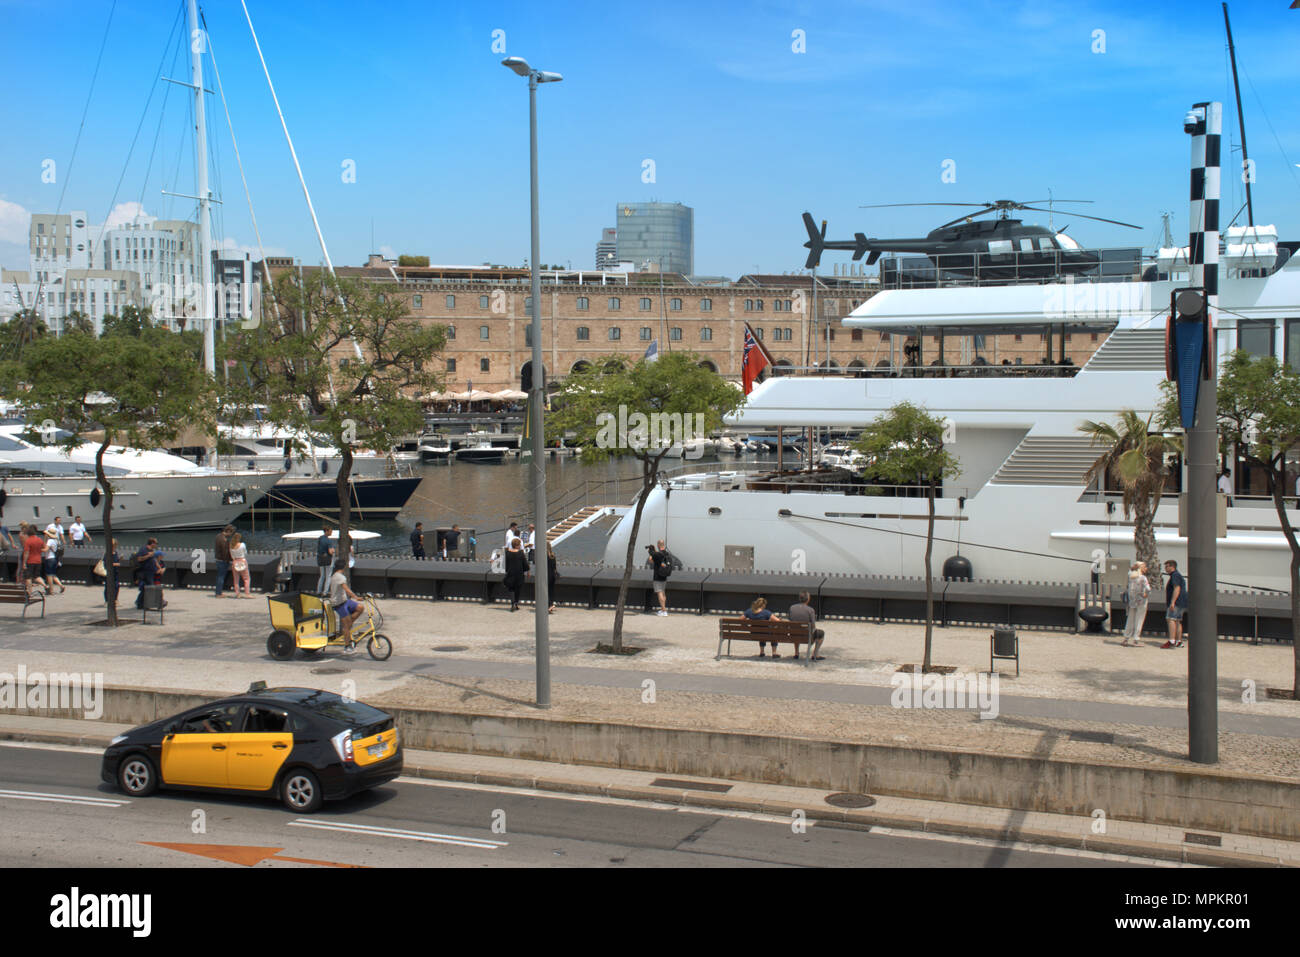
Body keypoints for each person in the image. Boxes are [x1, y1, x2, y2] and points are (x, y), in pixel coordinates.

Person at [328, 560, 365, 653]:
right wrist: (356, 597)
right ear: (344, 567)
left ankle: (348, 624)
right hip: (339, 604)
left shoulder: (336, 576)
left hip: (345, 601)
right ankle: (347, 646)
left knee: (360, 608)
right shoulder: (339, 577)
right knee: (347, 626)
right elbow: (347, 590)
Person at [787, 591, 826, 660]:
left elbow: (790, 620)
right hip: (807, 637)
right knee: (821, 633)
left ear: (799, 598)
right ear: (808, 599)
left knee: (796, 630)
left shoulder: (792, 608)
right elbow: (813, 626)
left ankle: (796, 653)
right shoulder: (810, 610)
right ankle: (815, 654)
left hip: (793, 635)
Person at [1121, 561, 1151, 647]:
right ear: (1141, 568)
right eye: (1144, 567)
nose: (1146, 568)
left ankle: (1126, 638)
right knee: (1139, 619)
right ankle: (1136, 639)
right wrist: (1145, 594)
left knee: (1130, 619)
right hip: (1141, 601)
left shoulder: (1131, 576)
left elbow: (1130, 571)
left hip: (1132, 601)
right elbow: (1148, 589)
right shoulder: (1143, 578)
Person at [1162, 559, 1188, 648]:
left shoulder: (1175, 575)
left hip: (1176, 602)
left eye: (1166, 566)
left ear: (1172, 566)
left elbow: (1177, 588)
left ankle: (1171, 640)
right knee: (1177, 621)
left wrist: (1172, 602)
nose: (1165, 568)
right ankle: (1178, 641)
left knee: (1171, 619)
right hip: (1182, 602)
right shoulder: (1178, 575)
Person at [133, 538, 162, 610]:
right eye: (156, 543)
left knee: (146, 588)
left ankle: (140, 603)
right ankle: (142, 603)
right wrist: (148, 555)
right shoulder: (144, 549)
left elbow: (154, 560)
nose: (156, 545)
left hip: (151, 572)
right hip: (145, 572)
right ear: (152, 543)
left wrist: (158, 567)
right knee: (148, 588)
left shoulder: (151, 551)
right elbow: (139, 559)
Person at [648, 540, 672, 616]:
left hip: (657, 576)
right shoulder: (667, 554)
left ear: (658, 545)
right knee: (663, 592)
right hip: (664, 576)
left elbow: (650, 560)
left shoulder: (658, 554)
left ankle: (664, 611)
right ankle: (663, 609)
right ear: (663, 545)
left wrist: (651, 551)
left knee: (659, 592)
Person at [503, 537, 528, 611]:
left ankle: (513, 603)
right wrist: (527, 570)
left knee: (511, 588)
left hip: (510, 573)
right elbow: (525, 564)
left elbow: (505, 564)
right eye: (519, 544)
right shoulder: (520, 553)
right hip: (519, 573)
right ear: (517, 545)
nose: (520, 546)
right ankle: (516, 603)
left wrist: (507, 570)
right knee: (518, 589)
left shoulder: (507, 553)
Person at [22, 525, 48, 596]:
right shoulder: (39, 539)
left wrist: (24, 563)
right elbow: (45, 549)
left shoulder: (28, 541)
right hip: (38, 560)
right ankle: (45, 585)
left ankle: (29, 593)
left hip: (30, 561)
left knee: (28, 577)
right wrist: (39, 550)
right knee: (37, 576)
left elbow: (26, 553)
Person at [42, 525, 66, 593]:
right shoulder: (56, 540)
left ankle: (51, 590)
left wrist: (39, 549)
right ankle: (61, 586)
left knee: (49, 575)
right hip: (55, 559)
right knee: (53, 574)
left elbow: (46, 549)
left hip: (49, 558)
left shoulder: (50, 541)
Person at [229, 532, 251, 598]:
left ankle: (237, 593)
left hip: (235, 562)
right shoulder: (242, 545)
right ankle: (247, 593)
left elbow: (232, 556)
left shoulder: (231, 546)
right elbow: (245, 553)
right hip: (242, 561)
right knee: (246, 579)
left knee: (236, 579)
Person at [213, 525, 234, 598]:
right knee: (221, 577)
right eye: (231, 533)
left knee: (219, 576)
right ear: (228, 531)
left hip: (218, 559)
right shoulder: (224, 540)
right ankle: (218, 593)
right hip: (223, 561)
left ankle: (218, 592)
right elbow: (225, 552)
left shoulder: (218, 536)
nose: (231, 535)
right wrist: (230, 560)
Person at [316, 525, 335, 595]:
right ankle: (325, 592)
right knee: (328, 576)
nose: (331, 532)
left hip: (320, 559)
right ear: (327, 531)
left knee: (322, 576)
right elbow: (330, 551)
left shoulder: (320, 538)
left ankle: (318, 590)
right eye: (330, 531)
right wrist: (333, 551)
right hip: (328, 559)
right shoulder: (329, 541)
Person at [103, 538, 122, 607]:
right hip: (109, 572)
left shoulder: (115, 552)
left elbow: (116, 560)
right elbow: (106, 563)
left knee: (116, 586)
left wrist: (119, 560)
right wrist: (115, 564)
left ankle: (115, 599)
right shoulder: (108, 553)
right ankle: (107, 600)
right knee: (108, 586)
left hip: (115, 572)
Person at [545, 542, 559, 614]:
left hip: (545, 575)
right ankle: (550, 604)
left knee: (545, 591)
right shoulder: (552, 556)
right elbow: (554, 568)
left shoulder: (542, 556)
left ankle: (547, 605)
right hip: (552, 576)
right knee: (551, 591)